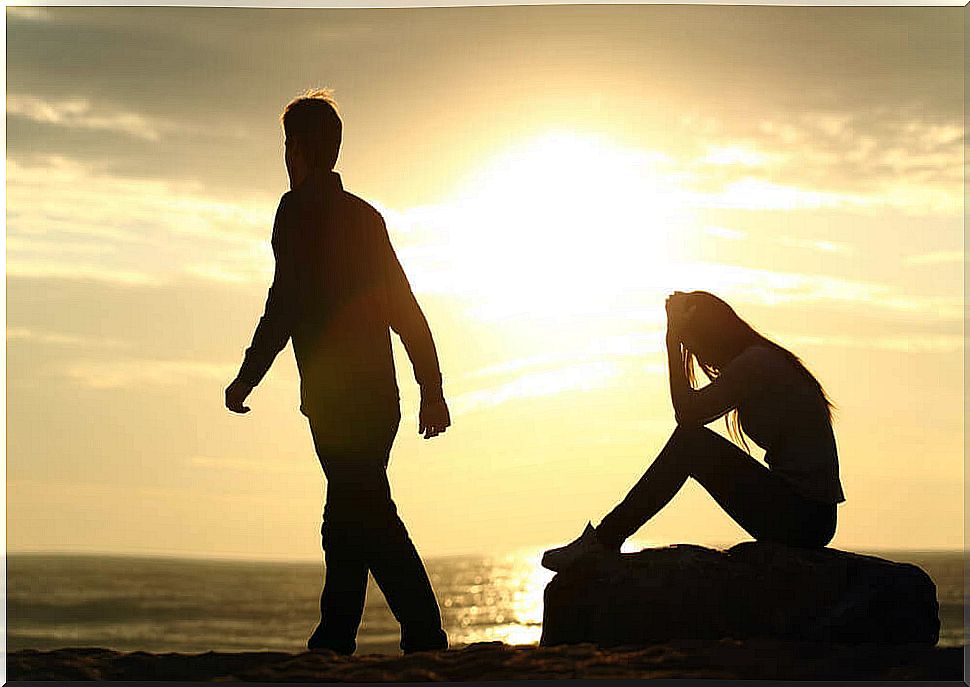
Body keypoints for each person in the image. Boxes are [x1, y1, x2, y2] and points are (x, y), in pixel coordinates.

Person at [225, 89, 451, 655]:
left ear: (298, 149)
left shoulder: (295, 211)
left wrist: (248, 376)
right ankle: (336, 638)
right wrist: (430, 386)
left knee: (365, 510)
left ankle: (420, 632)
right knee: (350, 509)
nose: (285, 157)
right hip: (379, 397)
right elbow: (403, 305)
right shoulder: (365, 217)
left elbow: (286, 303)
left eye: (287, 145)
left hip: (338, 399)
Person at [542, 290, 845, 571]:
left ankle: (603, 541)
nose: (698, 357)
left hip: (805, 516)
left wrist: (672, 339)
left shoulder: (756, 363)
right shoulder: (759, 361)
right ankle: (605, 539)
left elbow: (687, 415)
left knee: (691, 444)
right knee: (692, 442)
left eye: (694, 345)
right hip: (806, 515)